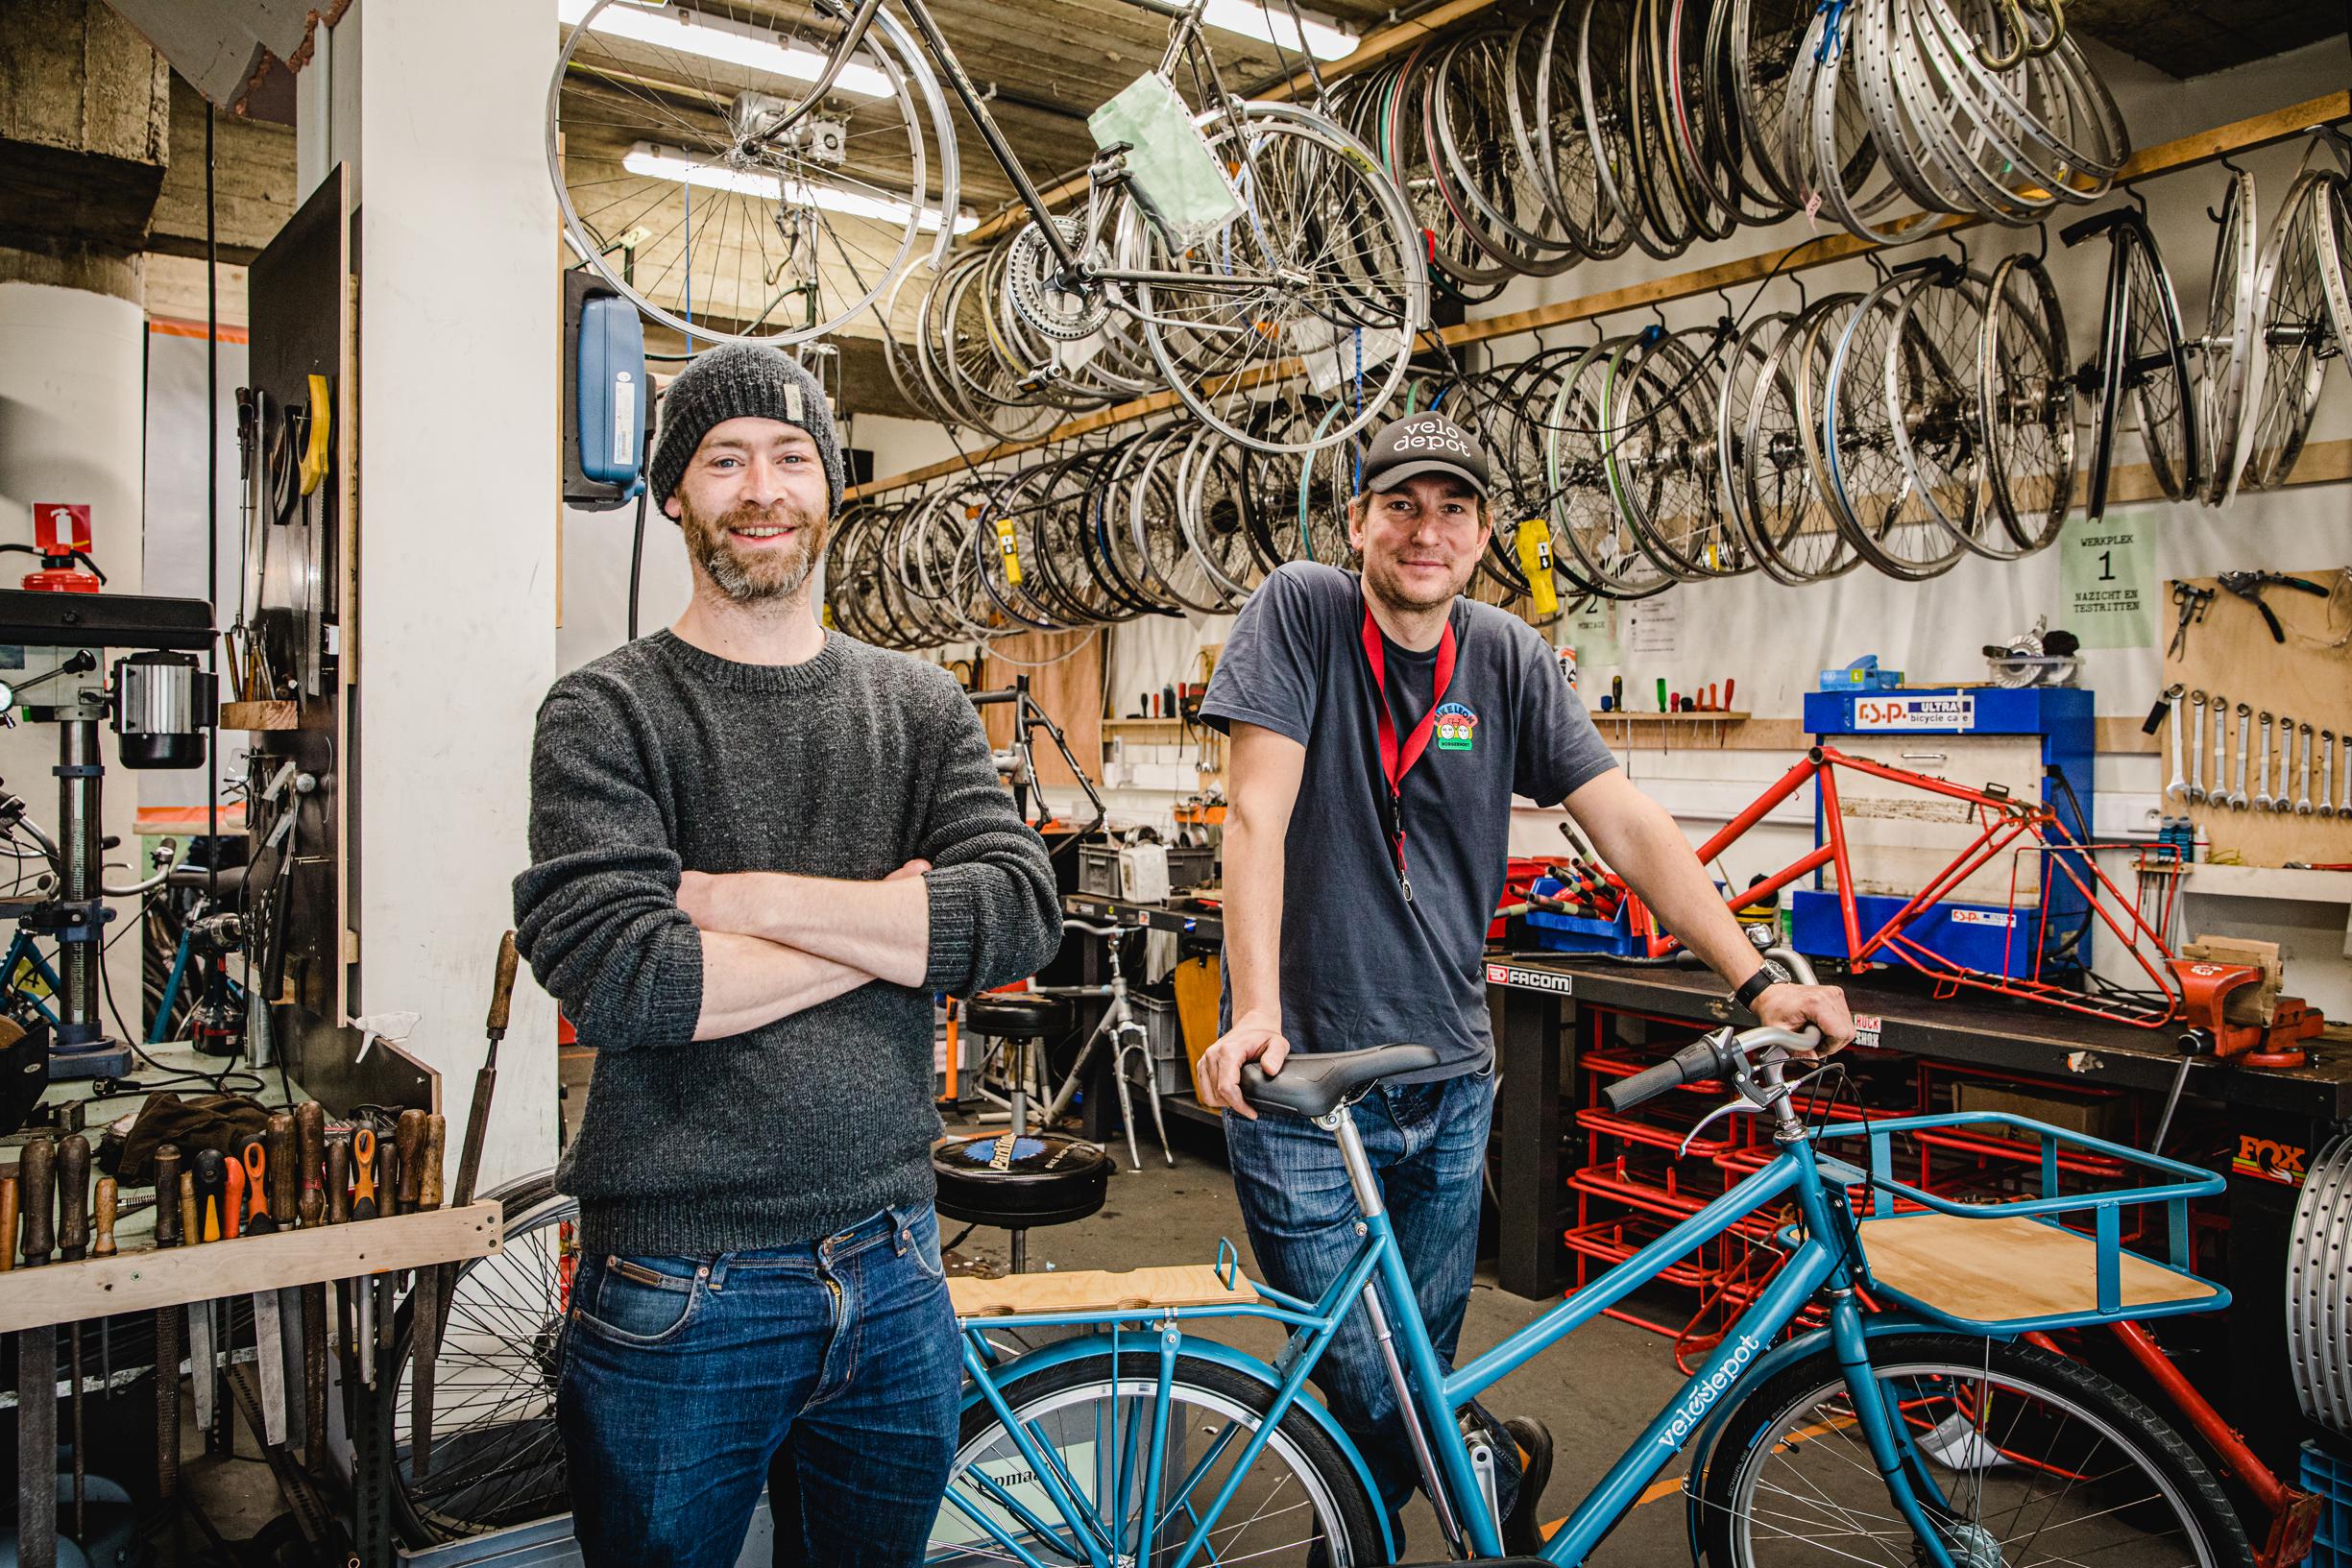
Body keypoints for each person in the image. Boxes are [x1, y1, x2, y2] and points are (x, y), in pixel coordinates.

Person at [1193, 411, 1854, 1553]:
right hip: (1302, 1077)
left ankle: (1352, 1535)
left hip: (1448, 1080)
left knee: (1414, 1370)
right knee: (1365, 1374)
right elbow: (1257, 810)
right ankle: (1486, 1462)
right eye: (1399, 504)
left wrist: (1754, 979)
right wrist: (1254, 1009)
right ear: (1357, 520)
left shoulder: (1502, 655)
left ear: (1485, 533)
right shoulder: (1300, 611)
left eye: (1452, 508)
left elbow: (1626, 823)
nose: (1425, 529)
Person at [512, 344, 1061, 1568]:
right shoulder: (606, 711)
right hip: (678, 1283)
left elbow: (1018, 911)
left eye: (791, 456)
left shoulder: (917, 706)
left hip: (898, 1260)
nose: (762, 487)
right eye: (724, 459)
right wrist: (895, 928)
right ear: (675, 495)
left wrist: (736, 898)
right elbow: (630, 978)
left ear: (829, 489)